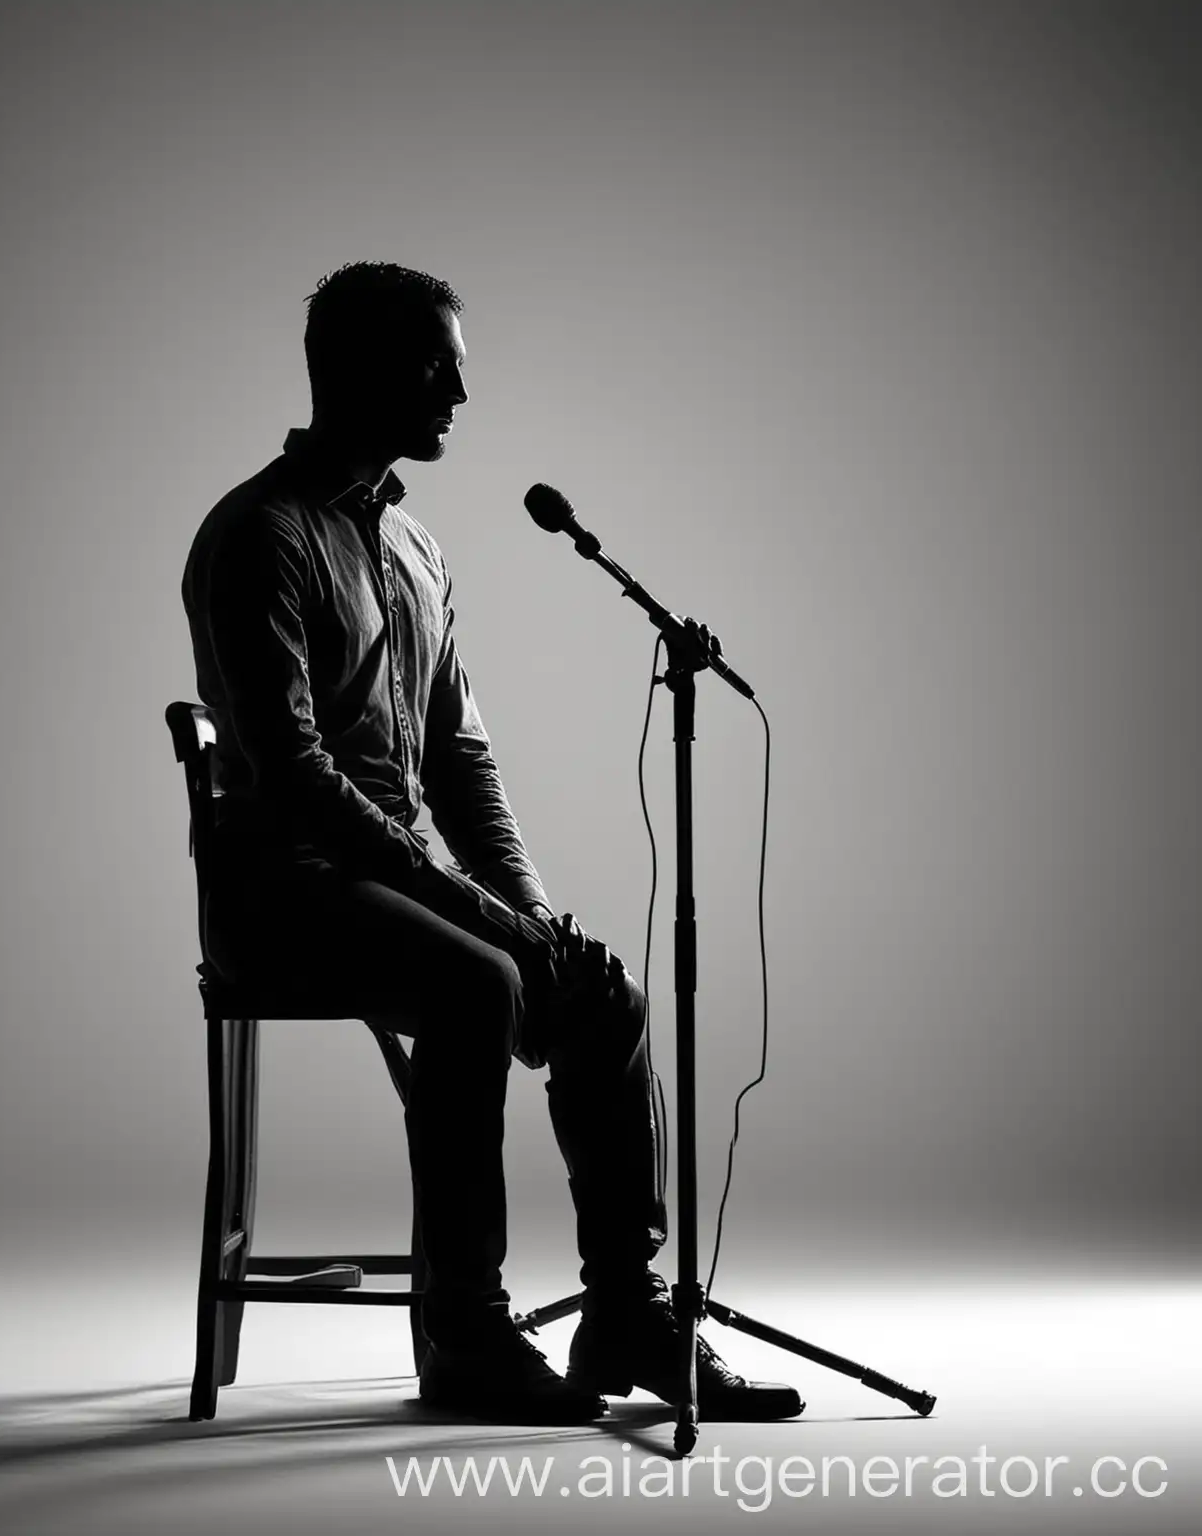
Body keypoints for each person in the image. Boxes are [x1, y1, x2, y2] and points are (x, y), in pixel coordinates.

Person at [181, 261, 802, 1425]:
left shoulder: (412, 546)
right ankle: (464, 1337)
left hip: (392, 881)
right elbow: (305, 786)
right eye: (436, 365)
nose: (460, 391)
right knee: (480, 980)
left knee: (598, 990)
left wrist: (540, 917)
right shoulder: (257, 537)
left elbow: (460, 764)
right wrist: (499, 927)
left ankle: (628, 1313)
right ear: (358, 370)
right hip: (289, 890)